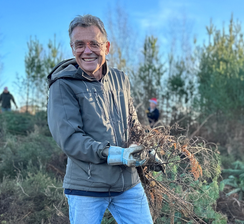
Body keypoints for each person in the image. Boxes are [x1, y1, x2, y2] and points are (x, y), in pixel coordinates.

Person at [47, 15, 158, 224]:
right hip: (86, 188)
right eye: (80, 45)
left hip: (128, 185)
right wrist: (116, 154)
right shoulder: (63, 85)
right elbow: (70, 139)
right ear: (72, 49)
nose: (87, 51)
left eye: (94, 44)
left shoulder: (120, 79)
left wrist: (144, 149)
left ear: (107, 47)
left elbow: (132, 122)